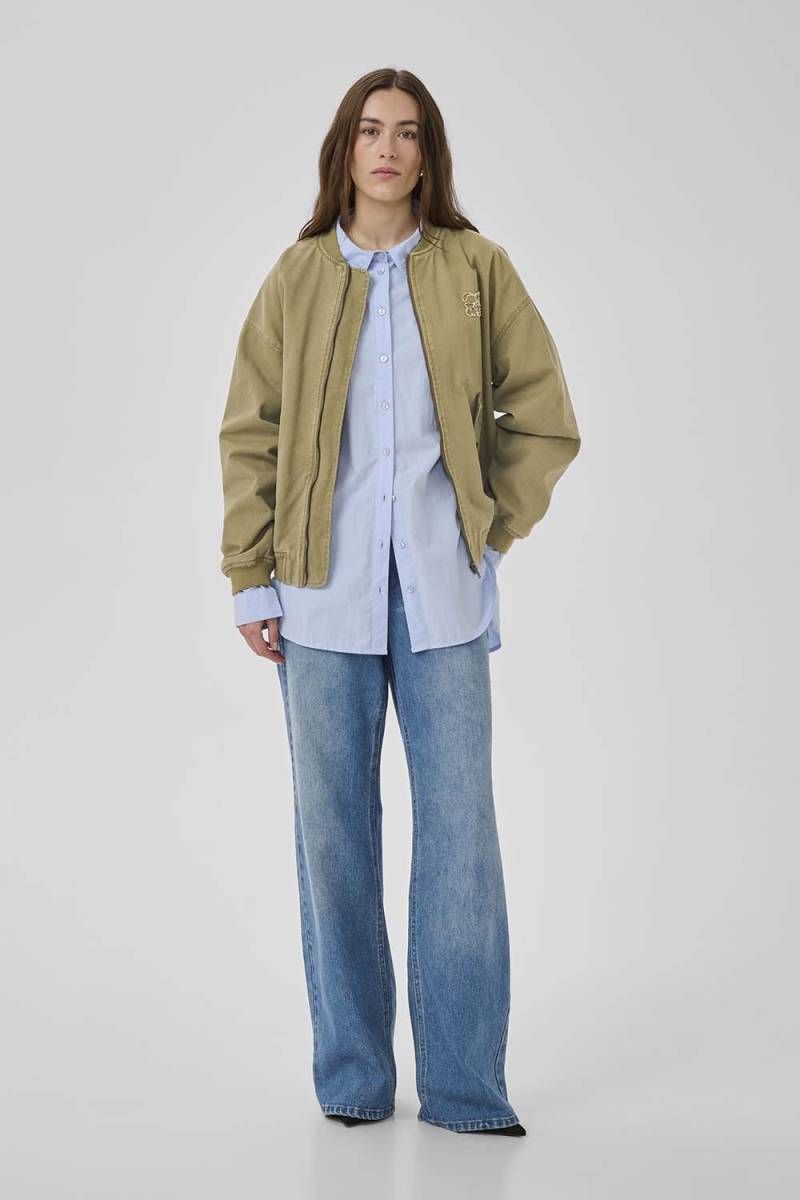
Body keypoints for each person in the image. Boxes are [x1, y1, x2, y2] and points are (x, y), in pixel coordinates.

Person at [218, 68, 581, 1136]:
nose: (388, 149)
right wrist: (249, 575)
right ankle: (353, 1080)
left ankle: (465, 1089)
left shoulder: (475, 269)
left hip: (442, 597)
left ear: (428, 155)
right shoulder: (296, 278)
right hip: (317, 595)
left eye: (408, 133)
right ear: (344, 149)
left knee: (460, 838)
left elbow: (543, 418)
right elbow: (250, 434)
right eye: (371, 130)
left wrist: (485, 529)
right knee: (332, 840)